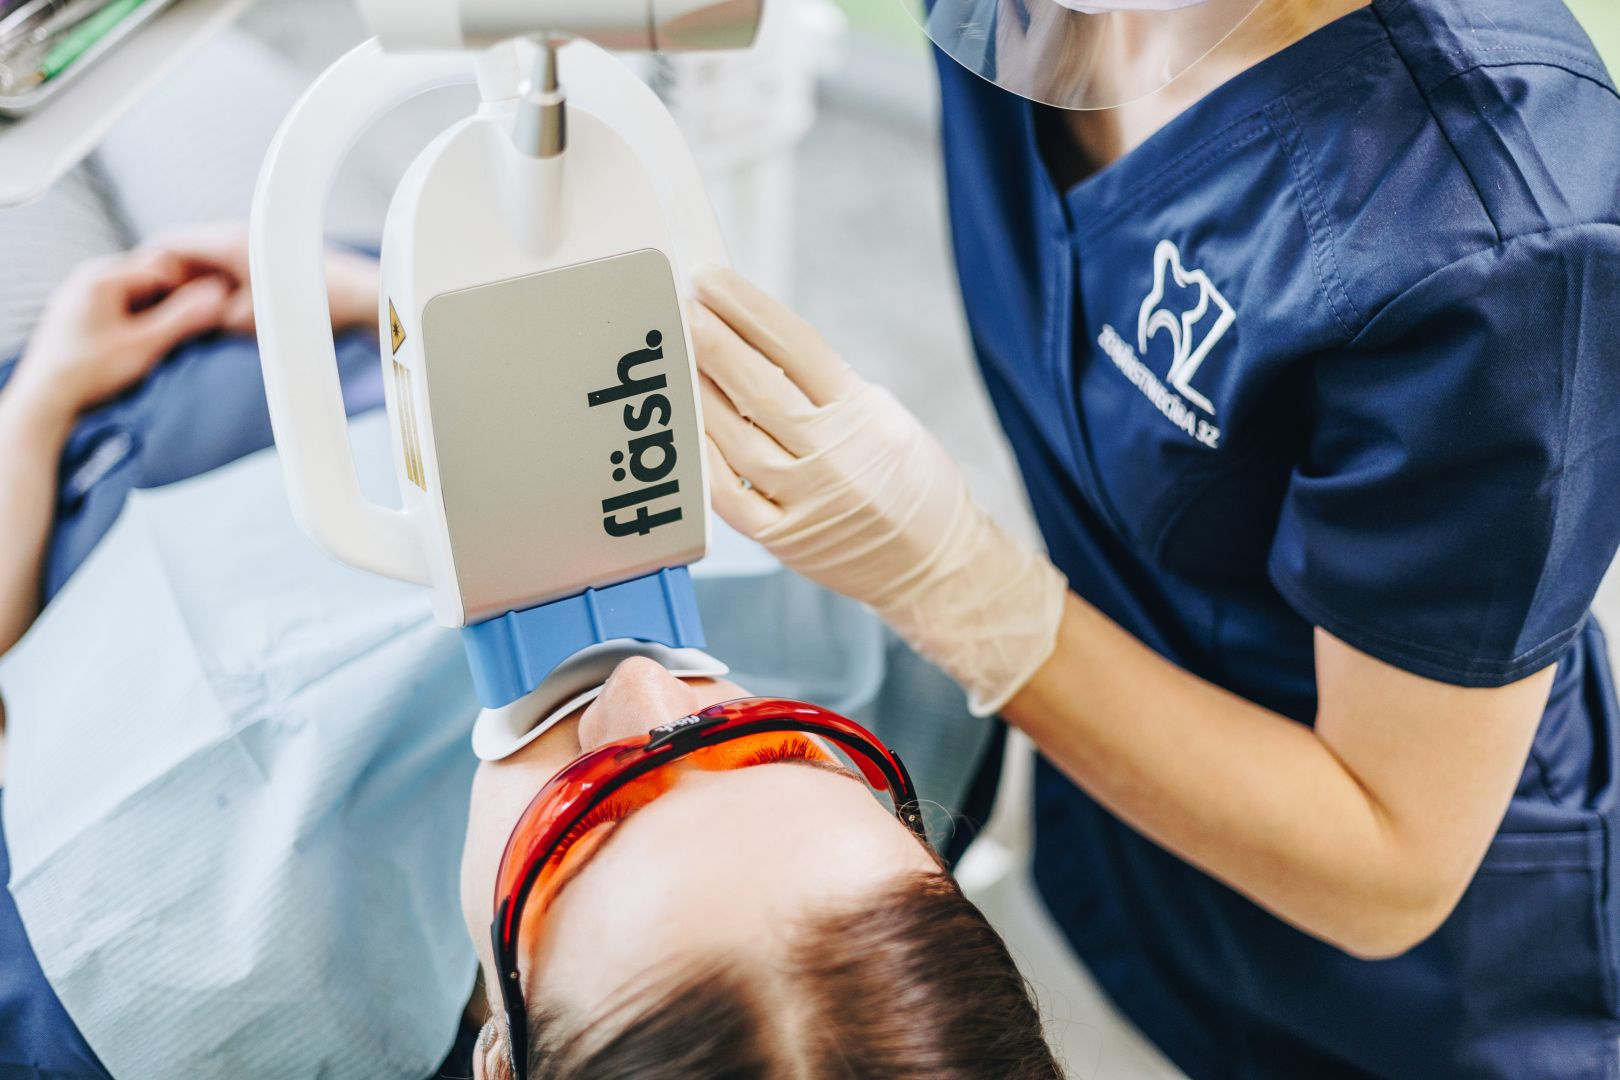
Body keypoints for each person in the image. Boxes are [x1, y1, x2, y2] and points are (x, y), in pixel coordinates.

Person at [689, 0, 1620, 1075]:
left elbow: (1390, 862)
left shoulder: (1488, 234)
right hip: (1117, 846)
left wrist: (954, 584)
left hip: (1414, 999)